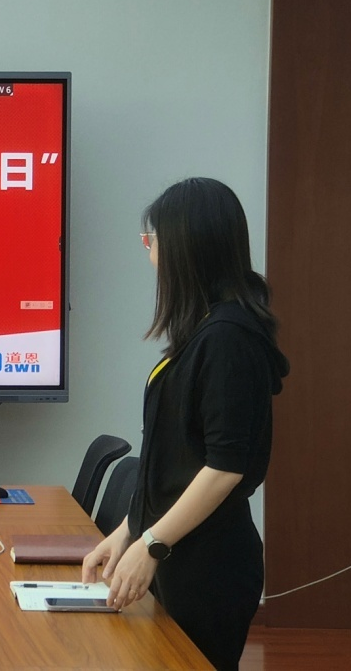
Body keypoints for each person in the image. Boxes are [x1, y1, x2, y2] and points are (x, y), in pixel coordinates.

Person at [81, 177, 289, 671]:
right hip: (179, 552)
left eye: (152, 240)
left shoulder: (228, 338)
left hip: (209, 565)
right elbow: (172, 460)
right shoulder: (206, 327)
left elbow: (224, 467)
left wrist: (152, 543)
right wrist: (129, 531)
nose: (150, 254)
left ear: (187, 245)